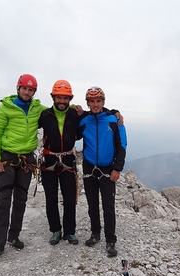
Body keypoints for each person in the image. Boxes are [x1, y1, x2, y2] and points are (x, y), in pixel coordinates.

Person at [38, 80, 123, 246]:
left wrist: (116, 112)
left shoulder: (77, 116)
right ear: (53, 97)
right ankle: (56, 230)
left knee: (71, 199)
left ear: (70, 99)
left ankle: (70, 232)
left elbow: (101, 116)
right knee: (51, 198)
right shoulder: (45, 115)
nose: (62, 101)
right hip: (50, 161)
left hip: (69, 162)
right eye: (59, 97)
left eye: (65, 98)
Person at [0, 74, 45, 261]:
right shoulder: (6, 108)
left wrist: (75, 109)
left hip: (26, 159)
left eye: (31, 90)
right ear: (18, 88)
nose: (27, 92)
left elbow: (56, 113)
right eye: (24, 89)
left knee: (20, 199)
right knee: (3, 200)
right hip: (7, 158)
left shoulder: (37, 109)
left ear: (34, 92)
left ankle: (14, 235)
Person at [77, 86, 127, 257]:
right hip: (90, 166)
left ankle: (110, 240)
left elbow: (122, 146)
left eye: (98, 101)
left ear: (103, 102)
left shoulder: (114, 120)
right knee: (92, 204)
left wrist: (117, 168)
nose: (95, 104)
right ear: (88, 103)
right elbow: (71, 127)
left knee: (108, 206)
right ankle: (95, 233)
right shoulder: (84, 120)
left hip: (107, 168)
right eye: (92, 101)